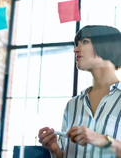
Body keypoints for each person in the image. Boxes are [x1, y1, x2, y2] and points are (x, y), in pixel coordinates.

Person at [38, 25, 121, 158]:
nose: (76, 50)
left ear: (107, 45)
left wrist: (103, 139)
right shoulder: (72, 105)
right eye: (77, 44)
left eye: (85, 42)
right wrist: (55, 150)